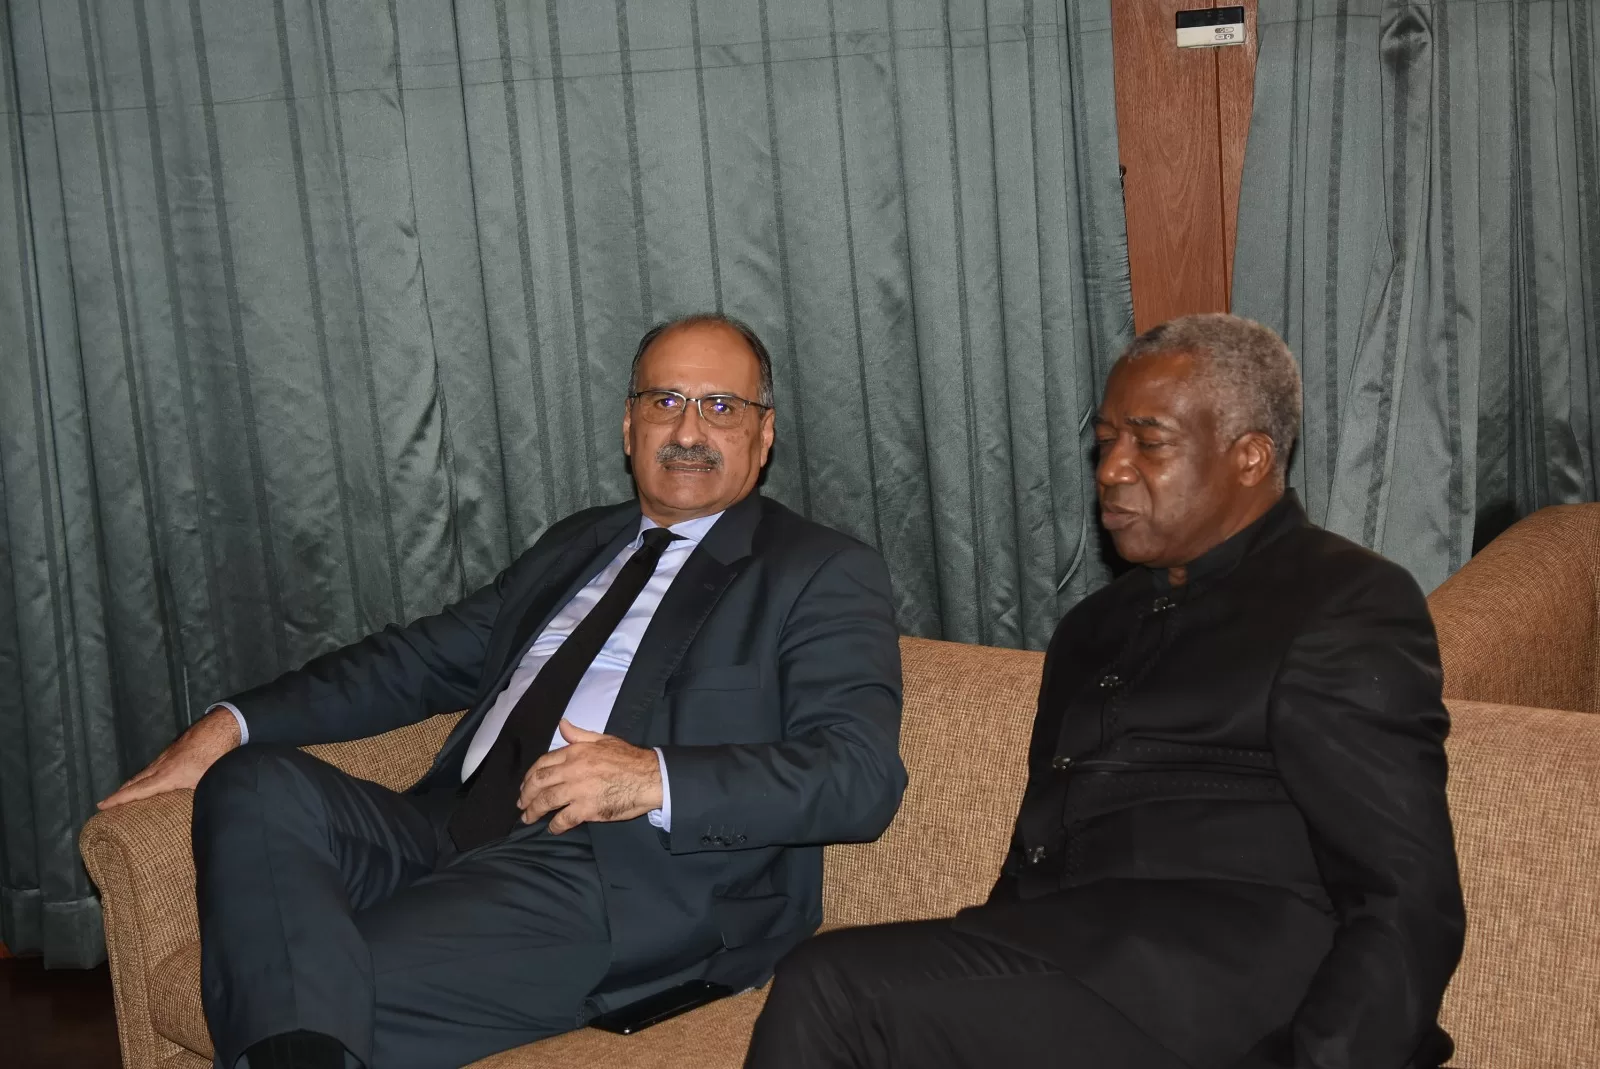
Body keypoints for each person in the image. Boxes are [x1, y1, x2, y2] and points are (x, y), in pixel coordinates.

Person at [100, 313, 906, 1069]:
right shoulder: (578, 545)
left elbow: (858, 775)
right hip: (442, 831)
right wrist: (230, 723)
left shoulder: (817, 571)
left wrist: (651, 776)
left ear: (764, 434)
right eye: (665, 401)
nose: (689, 430)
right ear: (629, 426)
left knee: (317, 986)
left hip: (612, 873)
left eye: (721, 406)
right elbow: (414, 661)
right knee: (254, 780)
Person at [744, 313, 1466, 1069]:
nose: (1112, 470)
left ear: (1250, 457)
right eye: (1107, 442)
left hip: (1233, 994)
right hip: (1080, 973)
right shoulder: (1093, 626)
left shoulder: (1340, 600)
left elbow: (1404, 893)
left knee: (830, 987)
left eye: (1149, 443)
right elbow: (1038, 850)